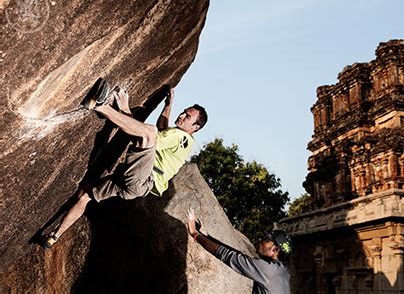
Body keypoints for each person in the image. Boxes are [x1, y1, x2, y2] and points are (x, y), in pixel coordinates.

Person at [41, 80, 207, 248]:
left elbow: (150, 135)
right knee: (85, 195)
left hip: (144, 178)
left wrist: (125, 108)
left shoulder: (183, 138)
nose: (181, 116)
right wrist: (168, 105)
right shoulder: (178, 136)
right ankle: (54, 237)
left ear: (195, 127)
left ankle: (100, 106)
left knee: (149, 133)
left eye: (187, 117)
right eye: (183, 112)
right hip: (133, 186)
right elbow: (161, 129)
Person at [187, 208, 291, 294]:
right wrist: (206, 235)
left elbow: (228, 255)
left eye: (267, 240)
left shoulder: (267, 269)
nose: (261, 241)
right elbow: (237, 254)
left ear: (275, 249)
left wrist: (195, 234)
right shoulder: (283, 271)